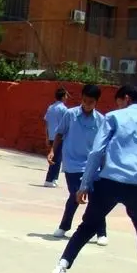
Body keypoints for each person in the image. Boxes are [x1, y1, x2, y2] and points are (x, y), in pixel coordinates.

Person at [47, 85, 137, 273]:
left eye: (118, 101)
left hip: (110, 180)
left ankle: (60, 268)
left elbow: (96, 152)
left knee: (87, 226)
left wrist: (85, 184)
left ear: (126, 98)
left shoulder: (113, 117)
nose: (117, 105)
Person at [48, 84, 109, 246]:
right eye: (84, 101)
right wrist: (52, 151)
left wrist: (104, 166)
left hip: (92, 164)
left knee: (96, 199)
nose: (87, 104)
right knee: (75, 194)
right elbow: (59, 134)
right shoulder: (70, 114)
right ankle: (64, 226)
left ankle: (101, 233)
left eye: (91, 102)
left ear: (96, 102)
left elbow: (103, 145)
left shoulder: (101, 120)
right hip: (72, 163)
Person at [43, 87, 68, 187]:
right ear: (63, 97)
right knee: (56, 159)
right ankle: (49, 179)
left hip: (51, 136)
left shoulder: (50, 107)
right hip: (59, 137)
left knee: (57, 157)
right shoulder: (64, 109)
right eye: (66, 95)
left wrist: (46, 136)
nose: (67, 97)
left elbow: (47, 123)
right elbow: (66, 124)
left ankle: (54, 178)